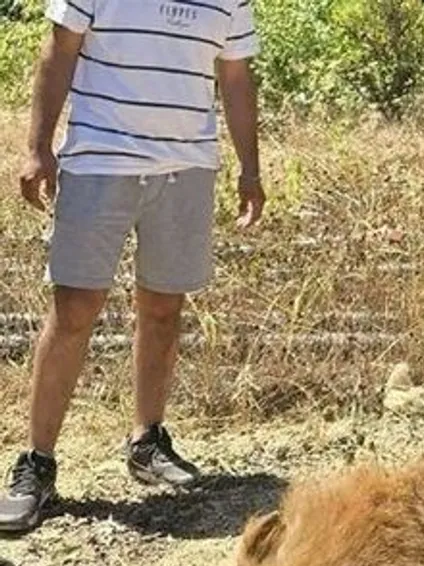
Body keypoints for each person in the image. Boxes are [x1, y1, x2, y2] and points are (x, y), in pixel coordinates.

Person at [0, 0, 266, 533]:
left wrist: (250, 168)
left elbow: (236, 78)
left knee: (164, 306)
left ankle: (148, 442)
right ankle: (37, 464)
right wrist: (38, 147)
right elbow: (59, 50)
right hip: (100, 159)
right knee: (75, 308)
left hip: (187, 165)